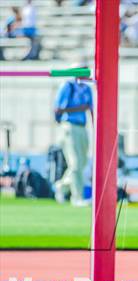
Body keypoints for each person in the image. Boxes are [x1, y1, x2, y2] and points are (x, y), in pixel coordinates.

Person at [53, 64, 93, 207]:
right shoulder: (68, 86)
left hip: (83, 127)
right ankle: (77, 197)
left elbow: (92, 109)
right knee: (75, 163)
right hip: (69, 126)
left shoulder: (88, 88)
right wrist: (79, 108)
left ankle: (61, 186)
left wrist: (97, 128)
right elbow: (58, 109)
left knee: (81, 164)